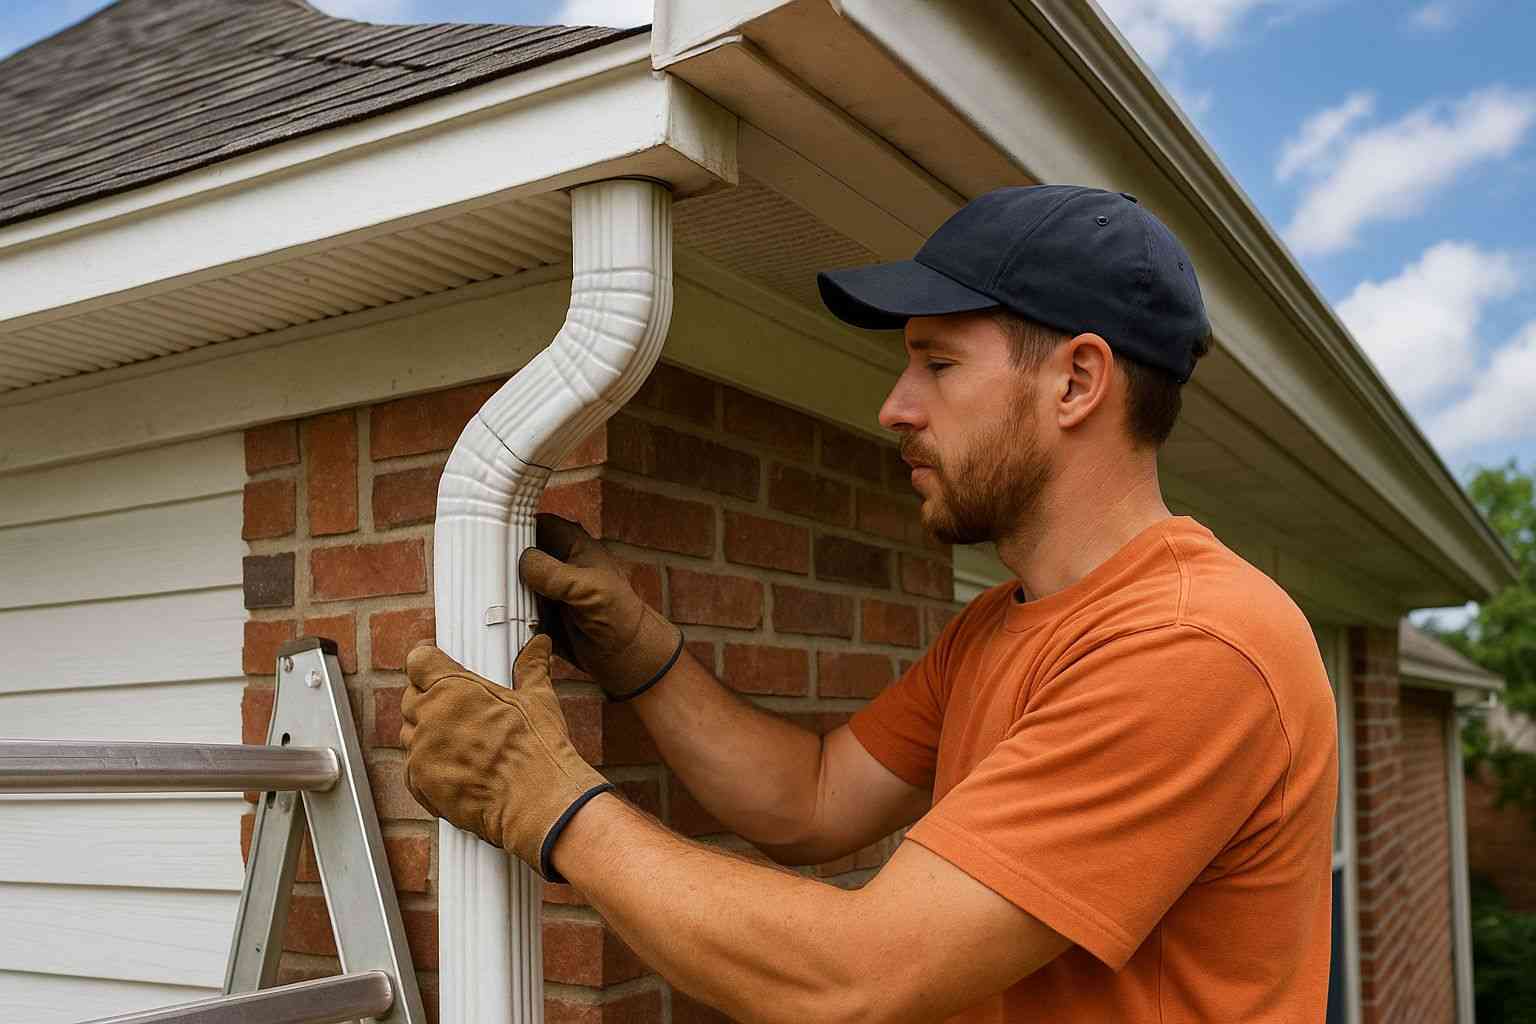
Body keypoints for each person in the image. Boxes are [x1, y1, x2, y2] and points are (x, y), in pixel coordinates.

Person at [400, 184, 1339, 1022]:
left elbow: (858, 978)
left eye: (938, 365)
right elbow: (812, 799)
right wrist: (640, 655)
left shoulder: (1191, 644)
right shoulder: (1003, 624)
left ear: (1077, 381)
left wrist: (548, 801)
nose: (895, 407)